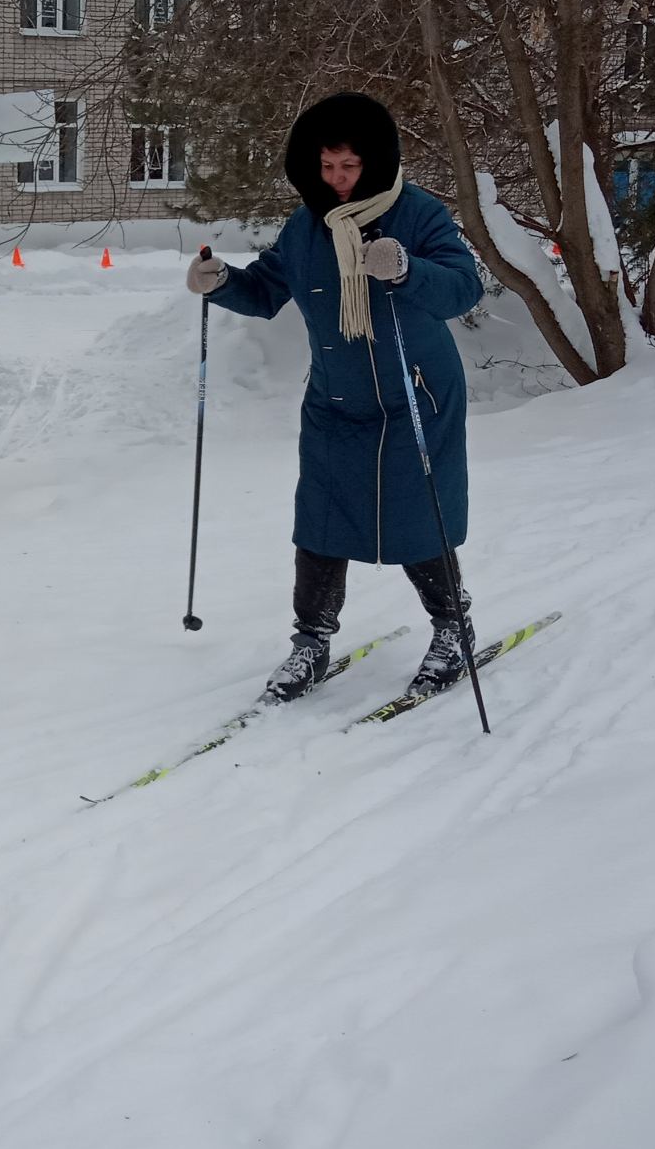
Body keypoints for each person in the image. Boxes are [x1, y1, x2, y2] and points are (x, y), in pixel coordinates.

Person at [186, 90, 485, 702]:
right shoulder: (307, 227)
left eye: (349, 166)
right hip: (335, 401)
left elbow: (462, 289)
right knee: (321, 522)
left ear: (373, 160)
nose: (338, 180)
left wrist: (406, 268)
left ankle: (454, 627)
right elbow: (268, 291)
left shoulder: (419, 214)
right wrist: (219, 284)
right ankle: (311, 644)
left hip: (415, 396)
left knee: (416, 516)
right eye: (326, 167)